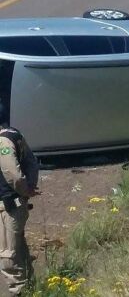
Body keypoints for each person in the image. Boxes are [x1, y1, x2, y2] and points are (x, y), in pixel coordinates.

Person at [0, 103, 39, 295]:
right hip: (14, 203)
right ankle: (30, 289)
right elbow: (32, 162)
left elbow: (12, 174)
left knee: (9, 255)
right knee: (19, 250)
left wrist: (25, 190)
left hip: (9, 205)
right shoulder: (14, 135)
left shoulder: (3, 142)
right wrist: (30, 187)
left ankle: (20, 292)